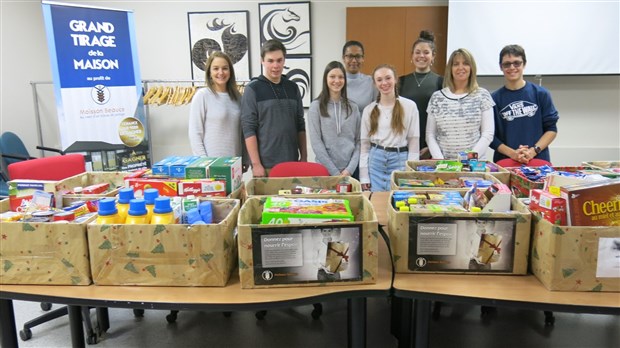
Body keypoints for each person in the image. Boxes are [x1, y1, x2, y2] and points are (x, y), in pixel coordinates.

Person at [241, 39, 307, 177]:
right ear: (262, 61)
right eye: (270, 61)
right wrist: (256, 164)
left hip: (292, 163)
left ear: (284, 60)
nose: (275, 65)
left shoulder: (293, 88)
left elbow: (300, 124)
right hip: (265, 166)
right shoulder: (252, 89)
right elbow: (248, 129)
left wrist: (304, 157)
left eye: (279, 60)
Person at [490, 44, 559, 164]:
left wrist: (533, 151)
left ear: (524, 64)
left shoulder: (541, 94)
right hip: (505, 162)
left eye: (517, 63)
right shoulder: (493, 99)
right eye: (507, 64)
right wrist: (513, 154)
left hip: (537, 160)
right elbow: (490, 137)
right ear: (501, 67)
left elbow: (551, 129)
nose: (512, 67)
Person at [360, 64, 420, 192]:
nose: (384, 83)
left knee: (398, 202)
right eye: (379, 80)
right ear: (375, 84)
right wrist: (364, 177)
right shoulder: (369, 110)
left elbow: (414, 144)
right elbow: (364, 147)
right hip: (375, 161)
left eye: (388, 78)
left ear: (395, 79)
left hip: (400, 161)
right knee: (376, 205)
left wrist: (411, 174)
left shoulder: (410, 106)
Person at [426, 48, 495, 160]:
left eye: (466, 63)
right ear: (450, 69)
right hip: (444, 165)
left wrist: (468, 159)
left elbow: (488, 134)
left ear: (471, 68)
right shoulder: (437, 98)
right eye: (456, 64)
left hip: (474, 165)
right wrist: (440, 160)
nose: (460, 68)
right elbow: (430, 135)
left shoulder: (482, 95)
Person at [308, 61, 361, 177]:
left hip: (351, 172)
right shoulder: (315, 107)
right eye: (332, 76)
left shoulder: (353, 107)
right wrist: (335, 173)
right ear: (325, 79)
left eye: (341, 77)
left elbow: (359, 141)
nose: (337, 81)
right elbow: (316, 143)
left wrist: (349, 170)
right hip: (325, 171)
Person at [399, 30, 444, 159]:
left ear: (433, 56)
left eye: (426, 52)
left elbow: (443, 119)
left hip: (431, 146)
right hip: (404, 145)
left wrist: (432, 147)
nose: (421, 56)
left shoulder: (441, 82)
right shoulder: (400, 82)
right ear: (412, 55)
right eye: (417, 52)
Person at [188, 51, 242, 157]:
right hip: (210, 164)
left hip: (233, 163)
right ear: (209, 72)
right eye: (216, 68)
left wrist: (244, 159)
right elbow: (195, 133)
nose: (221, 72)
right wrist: (204, 162)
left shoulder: (238, 97)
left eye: (225, 68)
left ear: (230, 71)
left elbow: (241, 133)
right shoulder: (202, 96)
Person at [342, 40, 378, 112]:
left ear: (363, 58)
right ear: (343, 58)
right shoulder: (337, 82)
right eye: (350, 56)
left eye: (358, 56)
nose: (354, 60)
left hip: (365, 123)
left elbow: (377, 109)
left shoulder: (371, 82)